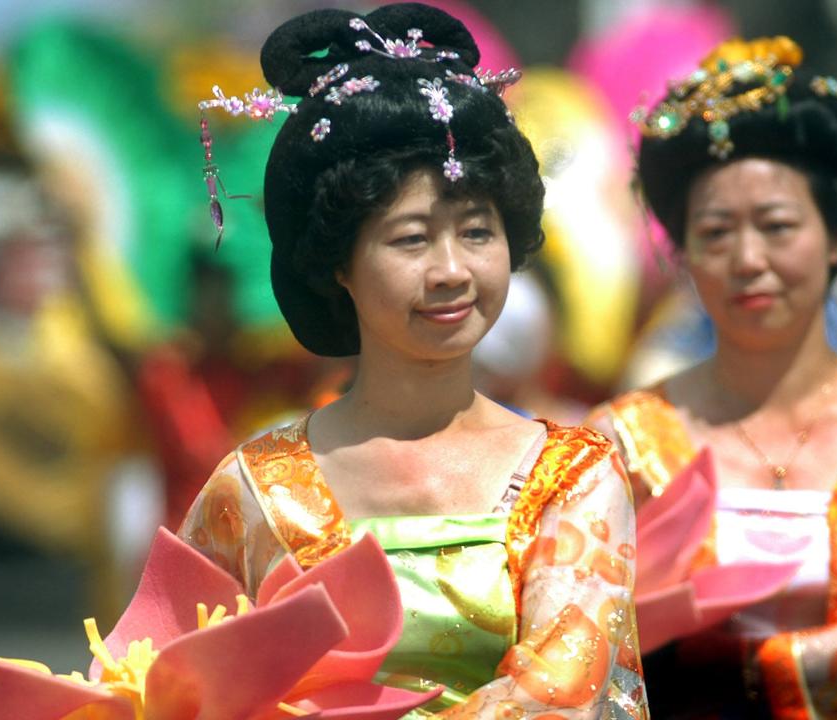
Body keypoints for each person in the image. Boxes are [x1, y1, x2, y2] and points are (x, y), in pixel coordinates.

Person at [177, 4, 648, 717]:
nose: (452, 270)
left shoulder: (575, 478)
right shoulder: (251, 488)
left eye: (477, 232)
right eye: (410, 239)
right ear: (338, 264)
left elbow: (570, 691)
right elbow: (177, 678)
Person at [586, 37, 837, 718]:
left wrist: (759, 667)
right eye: (716, 232)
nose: (749, 258)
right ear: (684, 255)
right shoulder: (619, 441)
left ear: (836, 238)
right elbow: (572, 631)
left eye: (777, 225)